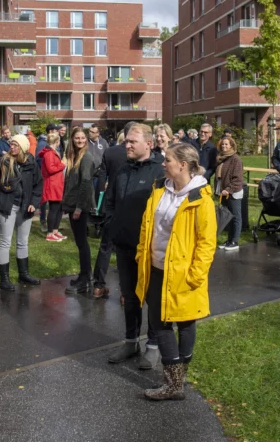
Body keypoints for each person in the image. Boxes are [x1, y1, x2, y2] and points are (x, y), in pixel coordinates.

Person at [135, 143, 216, 401]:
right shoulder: (160, 187)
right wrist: (141, 254)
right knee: (159, 323)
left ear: (183, 164)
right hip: (157, 267)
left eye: (167, 159)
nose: (163, 163)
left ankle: (176, 381)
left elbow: (206, 242)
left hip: (183, 272)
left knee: (185, 321)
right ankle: (174, 382)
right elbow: (148, 224)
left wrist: (195, 274)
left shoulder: (200, 198)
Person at [103, 124, 165, 368]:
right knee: (129, 297)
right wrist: (112, 226)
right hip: (125, 244)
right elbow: (110, 202)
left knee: (152, 297)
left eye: (132, 142)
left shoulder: (160, 171)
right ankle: (130, 342)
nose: (126, 145)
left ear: (148, 144)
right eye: (126, 141)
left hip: (150, 249)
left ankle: (153, 346)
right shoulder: (121, 169)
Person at [0, 135, 43, 291]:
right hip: (7, 207)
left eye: (15, 145)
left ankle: (23, 274)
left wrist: (34, 203)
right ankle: (4, 279)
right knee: (5, 242)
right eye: (11, 144)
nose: (11, 147)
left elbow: (38, 184)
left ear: (23, 147)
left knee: (23, 241)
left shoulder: (31, 163)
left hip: (25, 207)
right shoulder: (3, 161)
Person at [93, 124, 135, 296]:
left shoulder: (110, 152)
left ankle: (98, 285)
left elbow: (102, 178)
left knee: (106, 246)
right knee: (127, 248)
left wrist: (100, 200)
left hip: (111, 202)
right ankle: (126, 292)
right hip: (130, 202)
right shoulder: (137, 154)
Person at [62, 127, 96, 294]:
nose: (80, 140)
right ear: (72, 140)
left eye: (83, 138)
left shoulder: (86, 157)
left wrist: (79, 208)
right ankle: (85, 274)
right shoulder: (73, 156)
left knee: (82, 243)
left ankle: (85, 277)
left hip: (79, 206)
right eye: (77, 138)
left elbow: (86, 184)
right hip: (72, 204)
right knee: (80, 242)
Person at [215, 136, 244, 251]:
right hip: (224, 192)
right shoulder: (222, 158)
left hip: (233, 192)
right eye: (222, 144)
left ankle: (235, 241)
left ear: (231, 146)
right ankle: (229, 240)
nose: (224, 146)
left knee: (236, 216)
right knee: (228, 217)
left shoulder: (235, 159)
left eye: (226, 144)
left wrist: (229, 189)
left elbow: (238, 179)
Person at [39, 132, 66, 242]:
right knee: (53, 209)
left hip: (57, 184)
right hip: (52, 184)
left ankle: (55, 230)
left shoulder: (52, 152)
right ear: (57, 141)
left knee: (59, 208)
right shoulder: (49, 153)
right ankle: (50, 233)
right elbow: (51, 169)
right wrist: (63, 164)